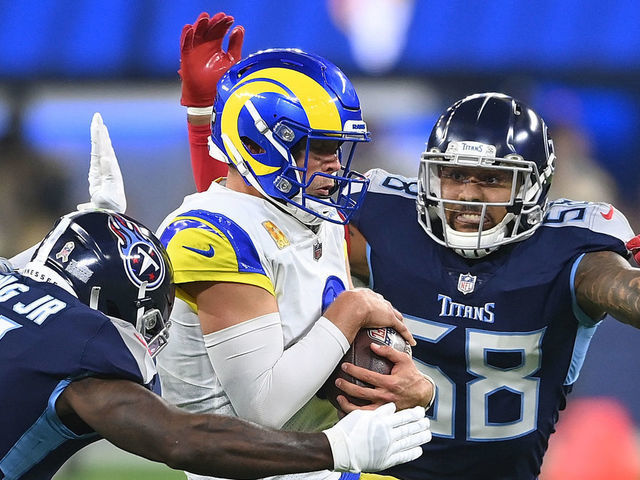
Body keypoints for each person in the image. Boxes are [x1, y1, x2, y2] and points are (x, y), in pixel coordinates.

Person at [156, 12, 435, 480]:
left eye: (338, 148)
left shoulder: (300, 206)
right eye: (319, 146)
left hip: (327, 463)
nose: (334, 164)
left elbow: (253, 214)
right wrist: (353, 306)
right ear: (264, 144)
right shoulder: (207, 236)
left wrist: (416, 387)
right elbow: (266, 407)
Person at [343, 92, 640, 480]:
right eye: (454, 175)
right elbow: (283, 236)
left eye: (492, 179)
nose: (468, 195)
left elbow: (623, 290)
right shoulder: (384, 222)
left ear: (533, 188)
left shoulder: (573, 253)